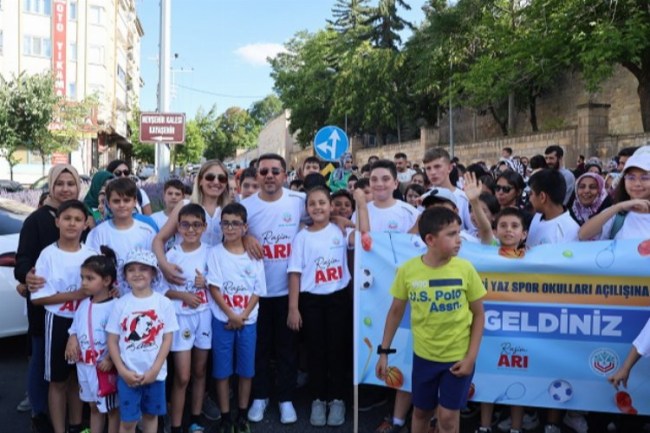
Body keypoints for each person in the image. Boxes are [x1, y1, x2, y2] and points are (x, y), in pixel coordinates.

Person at [376, 207, 486, 433]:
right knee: (421, 412)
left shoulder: (465, 269)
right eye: (452, 234)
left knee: (447, 417)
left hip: (457, 358)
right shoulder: (408, 270)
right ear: (430, 240)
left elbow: (479, 314)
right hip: (424, 357)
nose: (459, 239)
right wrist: (383, 352)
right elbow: (395, 311)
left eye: (459, 232)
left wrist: (471, 358)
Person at [15, 164, 84, 433]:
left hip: (79, 313)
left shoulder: (85, 217)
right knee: (44, 363)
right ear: (51, 186)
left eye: (71, 183)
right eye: (60, 183)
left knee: (75, 370)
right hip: (46, 310)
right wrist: (26, 277)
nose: (66, 188)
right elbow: (22, 259)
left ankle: (75, 420)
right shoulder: (36, 220)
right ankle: (40, 414)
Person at [352, 160, 418, 433]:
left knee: (403, 346)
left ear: (395, 182)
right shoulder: (362, 210)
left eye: (385, 179)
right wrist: (360, 206)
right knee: (373, 343)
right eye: (374, 179)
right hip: (370, 293)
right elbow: (360, 242)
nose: (379, 184)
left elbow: (414, 248)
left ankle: (402, 412)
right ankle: (378, 395)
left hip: (403, 294)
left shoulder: (409, 212)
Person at [241, 153, 306, 424]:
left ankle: (285, 398)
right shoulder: (244, 205)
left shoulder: (299, 201)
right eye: (264, 171)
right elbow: (231, 232)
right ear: (256, 175)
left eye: (275, 171)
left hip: (288, 291)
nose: (269, 176)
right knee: (259, 348)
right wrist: (246, 236)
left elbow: (323, 216)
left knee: (287, 349)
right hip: (255, 292)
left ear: (285, 175)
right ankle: (260, 395)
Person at [287, 186, 354, 427]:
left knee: (337, 350)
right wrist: (293, 308)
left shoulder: (341, 230)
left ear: (330, 206)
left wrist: (343, 219)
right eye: (312, 204)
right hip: (311, 301)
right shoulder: (302, 237)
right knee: (315, 351)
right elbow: (294, 273)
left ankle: (337, 399)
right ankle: (318, 398)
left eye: (322, 203)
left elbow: (363, 235)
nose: (317, 207)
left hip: (338, 299)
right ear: (307, 208)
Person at [31, 200, 97, 433]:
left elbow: (98, 291)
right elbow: (38, 298)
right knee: (58, 380)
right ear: (57, 221)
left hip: (85, 322)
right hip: (58, 321)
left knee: (78, 377)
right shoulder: (48, 255)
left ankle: (76, 426)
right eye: (67, 218)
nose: (72, 223)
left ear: (86, 224)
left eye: (78, 219)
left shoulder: (91, 254)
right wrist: (75, 294)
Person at [207, 202, 266, 433]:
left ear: (244, 227)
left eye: (235, 223)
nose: (230, 228)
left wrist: (243, 316)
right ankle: (225, 416)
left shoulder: (253, 255)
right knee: (222, 372)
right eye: (226, 223)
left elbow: (258, 290)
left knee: (246, 371)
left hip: (247, 321)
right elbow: (214, 288)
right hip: (223, 321)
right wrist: (231, 315)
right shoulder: (215, 253)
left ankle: (242, 414)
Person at [106, 249, 179, 433]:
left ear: (153, 272)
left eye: (143, 269)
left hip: (156, 374)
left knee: (151, 416)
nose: (137, 274)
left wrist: (154, 370)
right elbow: (112, 340)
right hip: (128, 375)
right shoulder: (120, 304)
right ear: (125, 275)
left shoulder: (164, 303)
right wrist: (122, 371)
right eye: (131, 269)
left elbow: (167, 338)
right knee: (128, 422)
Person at [164, 204, 212, 433]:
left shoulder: (211, 252)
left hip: (204, 316)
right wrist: (182, 295)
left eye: (196, 225)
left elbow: (222, 283)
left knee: (200, 371)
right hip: (181, 318)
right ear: (178, 227)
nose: (191, 229)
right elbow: (160, 290)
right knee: (183, 376)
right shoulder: (171, 255)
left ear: (204, 227)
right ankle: (175, 425)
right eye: (185, 225)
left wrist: (207, 283)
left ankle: (195, 419)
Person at [65, 247, 119, 433]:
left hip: (104, 368)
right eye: (82, 278)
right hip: (85, 367)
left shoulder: (116, 307)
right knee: (93, 407)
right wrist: (72, 339)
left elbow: (121, 337)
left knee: (111, 409)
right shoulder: (83, 305)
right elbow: (75, 327)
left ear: (106, 281)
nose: (84, 283)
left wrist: (110, 359)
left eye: (90, 278)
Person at [154, 160, 233, 285]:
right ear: (200, 180)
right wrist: (164, 265)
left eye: (221, 178)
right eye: (210, 177)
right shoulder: (185, 206)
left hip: (216, 276)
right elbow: (159, 239)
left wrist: (248, 239)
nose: (216, 182)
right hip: (186, 273)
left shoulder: (229, 210)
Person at [86, 177, 158, 295]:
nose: (122, 205)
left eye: (126, 200)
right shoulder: (98, 233)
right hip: (110, 297)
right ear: (108, 203)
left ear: (134, 201)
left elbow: (154, 265)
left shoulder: (147, 231)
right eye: (116, 201)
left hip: (140, 295)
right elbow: (92, 267)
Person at [579, 145, 650, 241]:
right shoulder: (617, 215)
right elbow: (583, 235)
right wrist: (619, 207)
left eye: (645, 178)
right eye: (631, 177)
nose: (637, 183)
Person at [422, 148, 475, 233]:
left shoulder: (464, 198)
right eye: (428, 168)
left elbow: (474, 231)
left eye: (437, 167)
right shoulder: (423, 199)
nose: (432, 172)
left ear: (450, 168)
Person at [526, 169, 580, 248]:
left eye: (531, 194)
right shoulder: (537, 217)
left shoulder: (569, 230)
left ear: (542, 197)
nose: (529, 199)